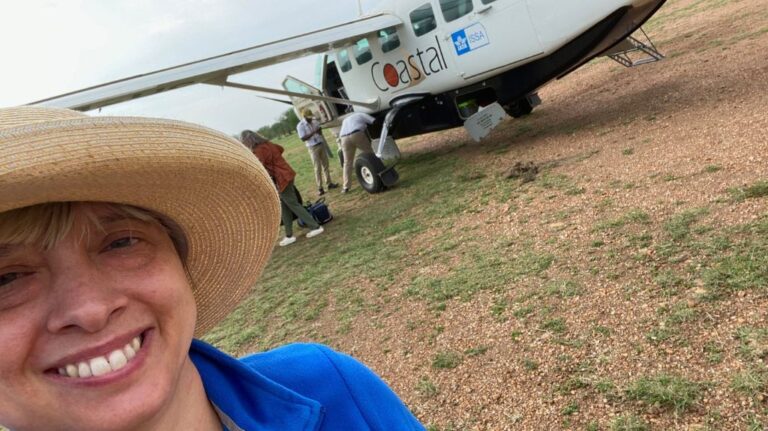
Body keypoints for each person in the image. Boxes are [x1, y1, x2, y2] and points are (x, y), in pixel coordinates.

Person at [0, 106, 426, 431]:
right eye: (6, 279)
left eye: (123, 242)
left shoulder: (332, 389)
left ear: (179, 262)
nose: (90, 309)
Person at [240, 130, 324, 246]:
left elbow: (259, 166)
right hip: (286, 174)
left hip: (281, 179)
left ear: (247, 140)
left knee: (292, 204)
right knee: (284, 207)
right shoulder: (268, 144)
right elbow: (280, 149)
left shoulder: (258, 150)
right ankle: (289, 235)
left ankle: (315, 226)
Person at [296, 109, 337, 196]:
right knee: (317, 168)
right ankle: (320, 188)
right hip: (312, 147)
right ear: (304, 117)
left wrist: (319, 130)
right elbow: (303, 138)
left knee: (326, 165)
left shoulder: (315, 122)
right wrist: (313, 132)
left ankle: (329, 183)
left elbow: (320, 132)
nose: (311, 119)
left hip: (320, 144)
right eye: (309, 118)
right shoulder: (300, 125)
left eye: (311, 117)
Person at [338, 112, 376, 193]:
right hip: (356, 134)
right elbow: (373, 121)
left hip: (344, 138)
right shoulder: (361, 114)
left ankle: (345, 187)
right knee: (370, 154)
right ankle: (377, 172)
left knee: (347, 163)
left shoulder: (346, 119)